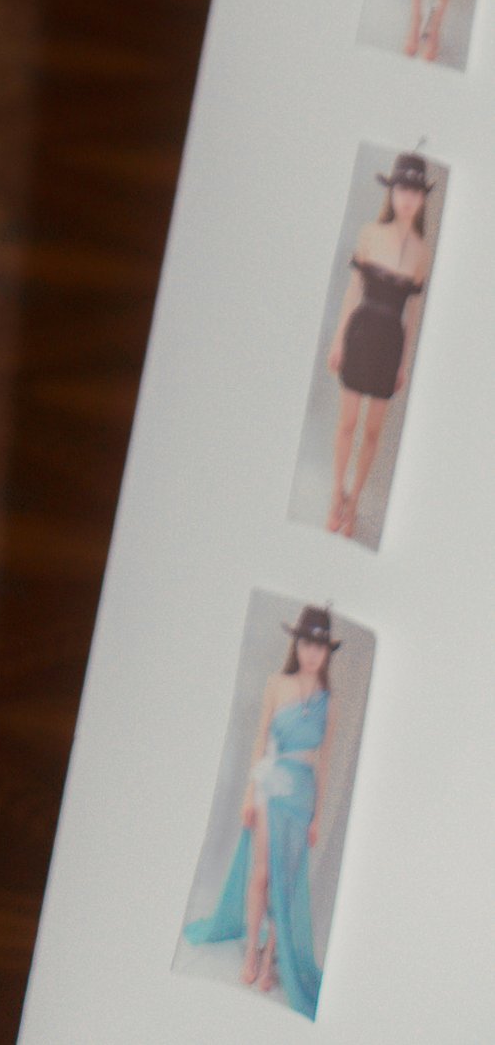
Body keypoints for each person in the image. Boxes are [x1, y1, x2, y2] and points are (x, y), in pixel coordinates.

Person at [183, 606, 340, 1014]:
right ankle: (251, 951)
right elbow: (258, 741)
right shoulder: (276, 683)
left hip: (303, 793)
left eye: (320, 647)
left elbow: (323, 763)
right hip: (272, 785)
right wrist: (249, 794)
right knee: (262, 875)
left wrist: (318, 817)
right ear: (297, 644)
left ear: (327, 653)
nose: (312, 653)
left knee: (286, 885)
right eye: (306, 643)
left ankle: (271, 960)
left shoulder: (329, 701)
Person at [323, 153, 432, 538]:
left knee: (372, 432)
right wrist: (337, 341)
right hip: (361, 331)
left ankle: (353, 505)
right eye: (402, 188)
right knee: (347, 424)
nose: (408, 198)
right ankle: (336, 496)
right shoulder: (370, 233)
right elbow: (353, 289)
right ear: (392, 191)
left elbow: (413, 316)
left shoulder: (422, 251)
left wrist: (404, 364)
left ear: (422, 199)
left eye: (415, 192)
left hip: (390, 342)